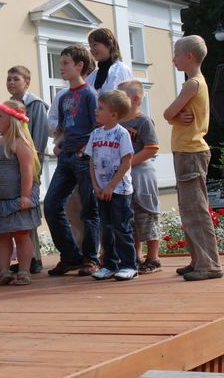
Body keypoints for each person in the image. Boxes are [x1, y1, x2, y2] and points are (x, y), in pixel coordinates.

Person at [163, 35, 223, 281]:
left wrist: (173, 117)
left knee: (195, 209)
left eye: (176, 54)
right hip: (188, 151)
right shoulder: (197, 83)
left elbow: (167, 113)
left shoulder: (192, 84)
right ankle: (198, 260)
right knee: (189, 208)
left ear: (189, 57)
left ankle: (209, 264)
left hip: (190, 152)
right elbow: (173, 116)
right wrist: (175, 118)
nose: (173, 59)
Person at [44, 44, 100, 277]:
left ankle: (90, 258)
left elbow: (98, 126)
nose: (61, 67)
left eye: (66, 63)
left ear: (79, 65)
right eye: (61, 63)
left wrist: (85, 151)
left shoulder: (89, 95)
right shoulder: (64, 96)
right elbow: (66, 127)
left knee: (89, 208)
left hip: (83, 158)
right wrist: (59, 145)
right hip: (66, 157)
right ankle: (70, 256)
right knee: (51, 205)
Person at [0, 100, 42, 285]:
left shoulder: (20, 143)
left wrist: (25, 196)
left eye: (0, 116)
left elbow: (27, 171)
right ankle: (4, 271)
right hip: (0, 199)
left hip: (16, 200)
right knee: (2, 235)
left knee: (21, 235)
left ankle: (24, 271)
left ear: (13, 120)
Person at [85, 90, 138, 281]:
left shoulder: (121, 134)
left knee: (121, 228)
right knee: (105, 229)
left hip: (119, 191)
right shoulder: (95, 134)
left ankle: (129, 265)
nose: (96, 111)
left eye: (100, 108)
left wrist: (111, 186)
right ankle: (110, 264)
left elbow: (126, 162)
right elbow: (91, 161)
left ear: (114, 114)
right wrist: (95, 185)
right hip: (101, 190)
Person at [7, 65, 48, 274]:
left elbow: (39, 136)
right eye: (9, 79)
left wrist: (33, 166)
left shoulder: (35, 105)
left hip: (30, 166)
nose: (11, 82)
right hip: (13, 167)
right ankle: (26, 257)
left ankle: (35, 257)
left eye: (16, 79)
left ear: (27, 82)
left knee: (29, 210)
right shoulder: (9, 105)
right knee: (19, 213)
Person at [118, 80, 162, 273]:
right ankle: (136, 256)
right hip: (124, 176)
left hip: (142, 175)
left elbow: (151, 148)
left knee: (147, 214)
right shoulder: (117, 122)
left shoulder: (143, 121)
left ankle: (153, 258)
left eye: (122, 96)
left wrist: (128, 163)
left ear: (135, 99)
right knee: (130, 216)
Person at [85, 28, 133, 95]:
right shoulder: (93, 76)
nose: (91, 50)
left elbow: (124, 98)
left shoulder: (121, 70)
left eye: (95, 45)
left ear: (109, 44)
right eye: (90, 46)